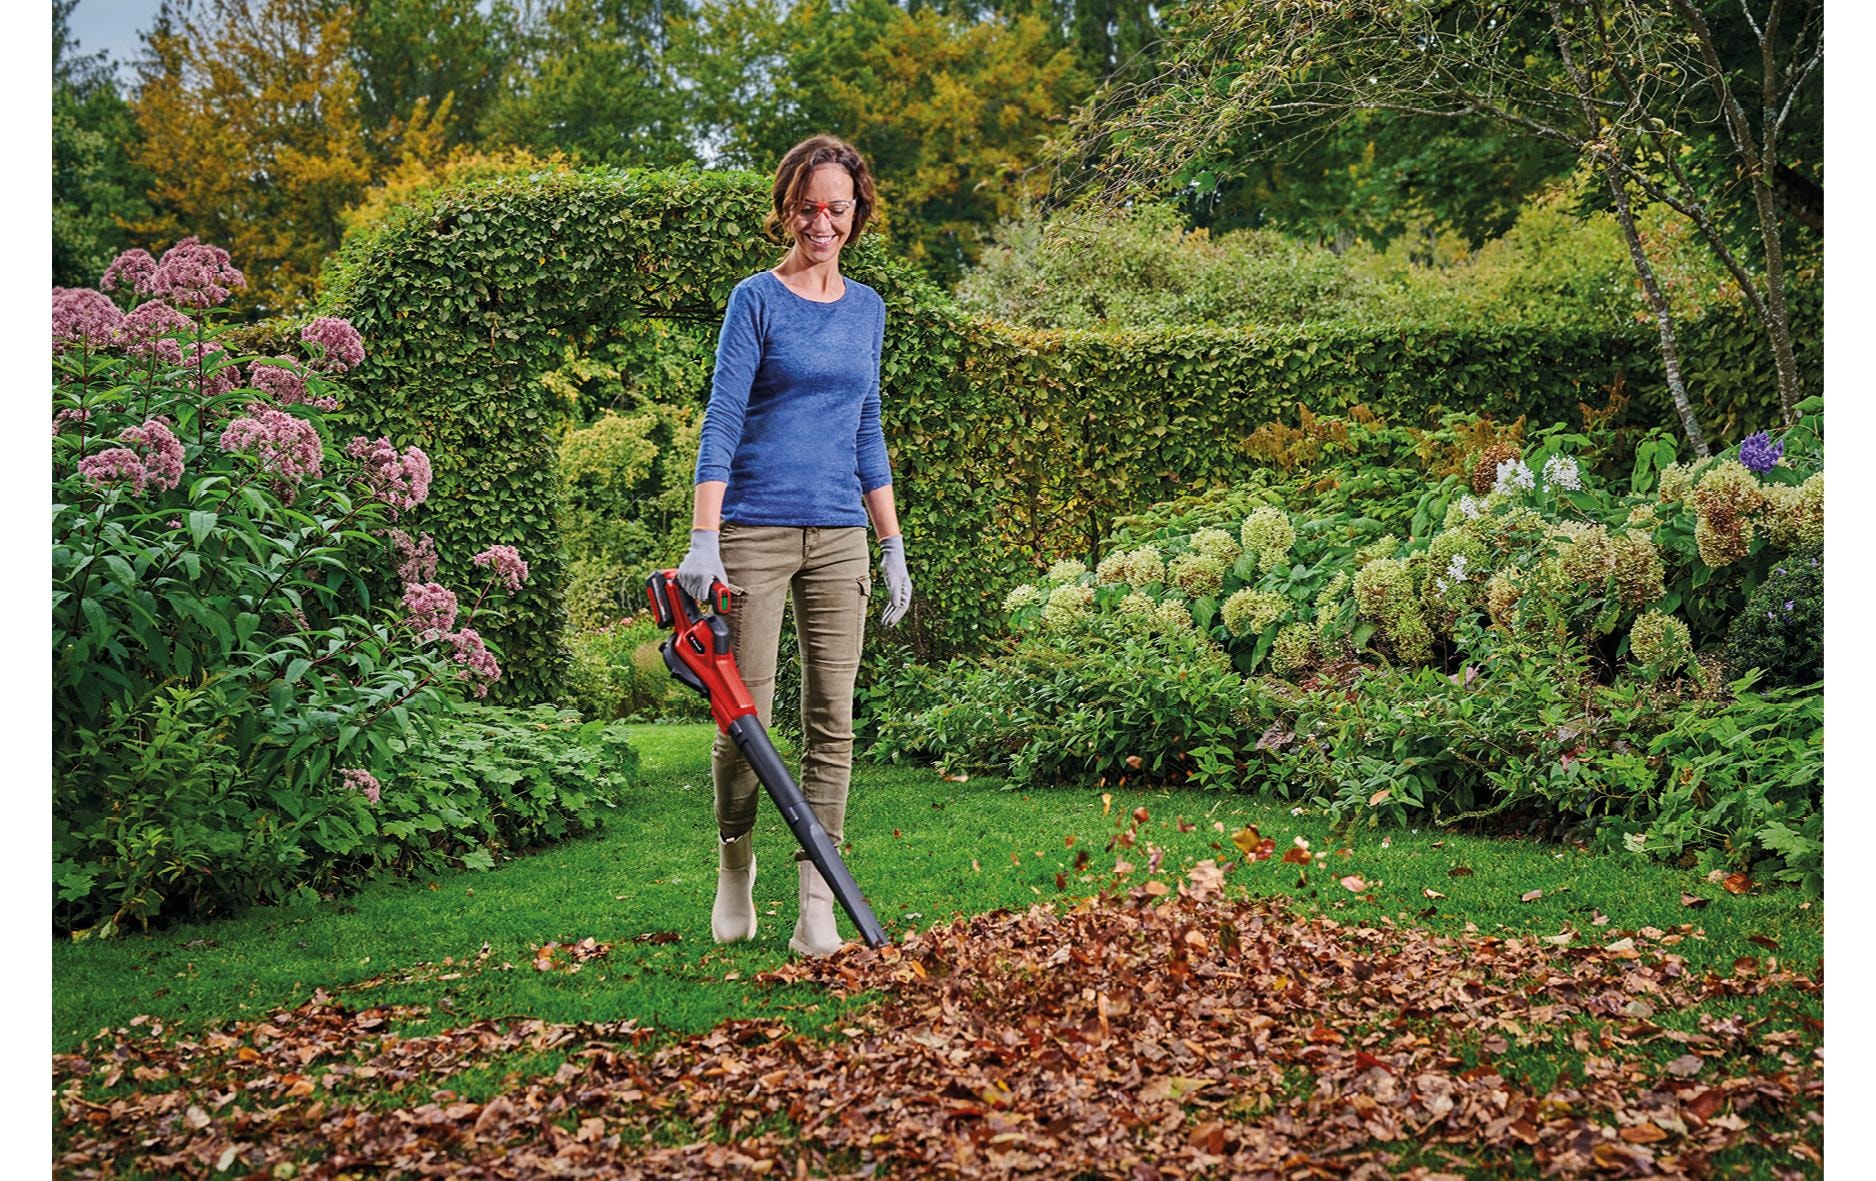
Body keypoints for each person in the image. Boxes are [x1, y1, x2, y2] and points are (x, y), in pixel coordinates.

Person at [675, 135, 913, 957]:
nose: (822, 223)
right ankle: (734, 863)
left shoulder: (869, 308)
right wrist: (705, 536)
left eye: (837, 208)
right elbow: (723, 418)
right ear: (788, 207)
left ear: (857, 211)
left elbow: (868, 427)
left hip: (841, 533)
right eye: (809, 207)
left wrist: (891, 543)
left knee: (833, 721)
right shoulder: (756, 300)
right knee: (746, 719)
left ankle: (816, 900)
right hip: (755, 531)